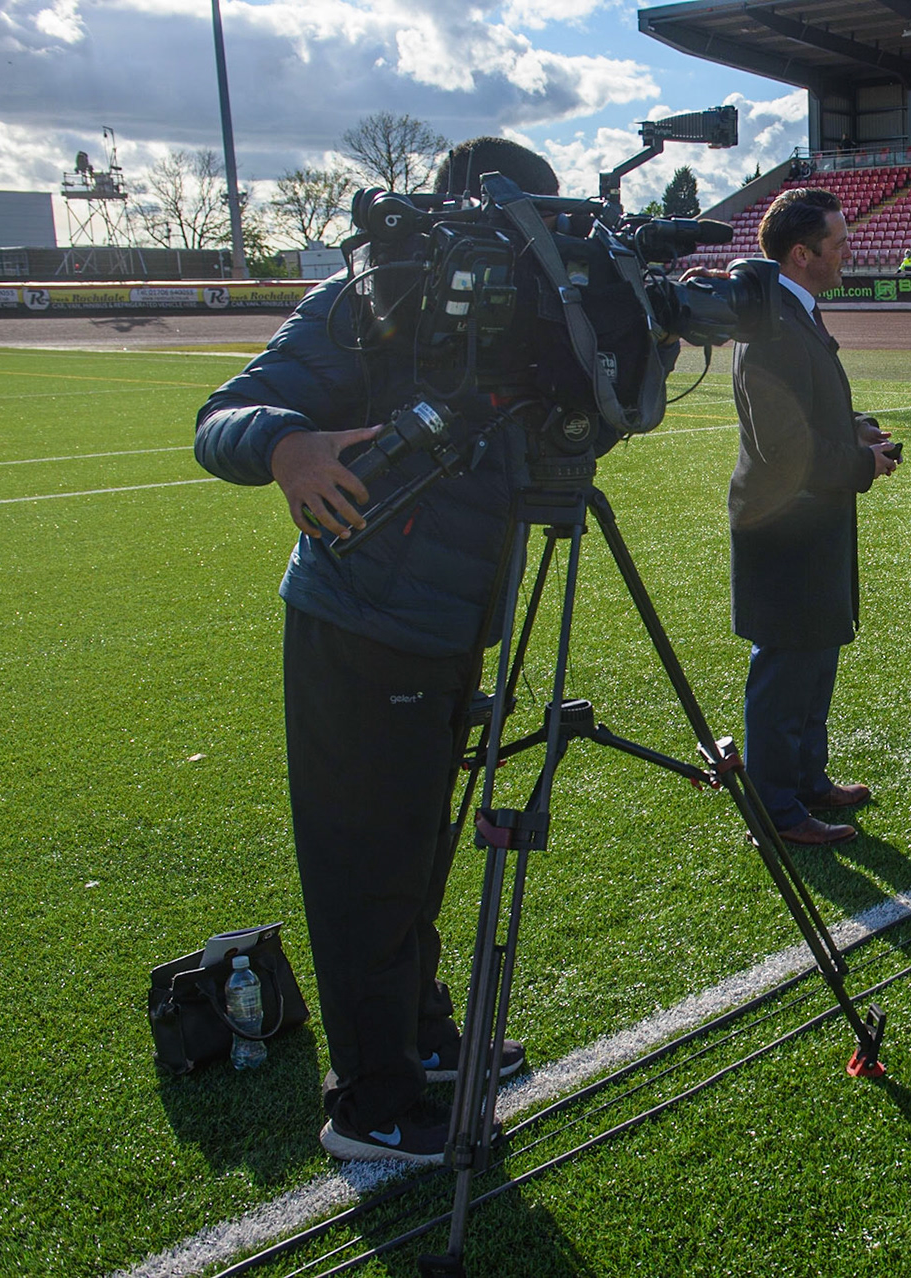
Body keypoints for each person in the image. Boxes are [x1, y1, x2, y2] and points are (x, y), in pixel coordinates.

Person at [193, 138, 559, 1164]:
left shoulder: (536, 319)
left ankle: (427, 1041)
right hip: (356, 628)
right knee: (369, 868)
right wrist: (284, 445)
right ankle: (373, 1103)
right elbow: (219, 416)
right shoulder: (368, 291)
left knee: (421, 851)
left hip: (450, 624)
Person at [729, 188, 899, 846]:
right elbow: (785, 449)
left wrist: (856, 430)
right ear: (802, 255)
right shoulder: (772, 327)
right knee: (785, 667)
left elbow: (806, 415)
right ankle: (777, 809)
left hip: (809, 525)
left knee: (814, 655)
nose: (848, 251)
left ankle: (805, 780)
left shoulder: (791, 313)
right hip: (783, 529)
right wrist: (864, 467)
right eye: (838, 243)